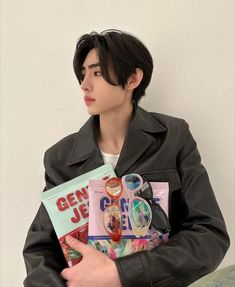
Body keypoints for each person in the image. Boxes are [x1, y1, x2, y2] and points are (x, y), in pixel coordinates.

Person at [23, 29, 230, 287]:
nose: (84, 84)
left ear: (133, 78)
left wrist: (121, 274)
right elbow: (39, 251)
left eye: (97, 73)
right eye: (84, 73)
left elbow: (209, 236)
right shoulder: (61, 158)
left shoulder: (174, 138)